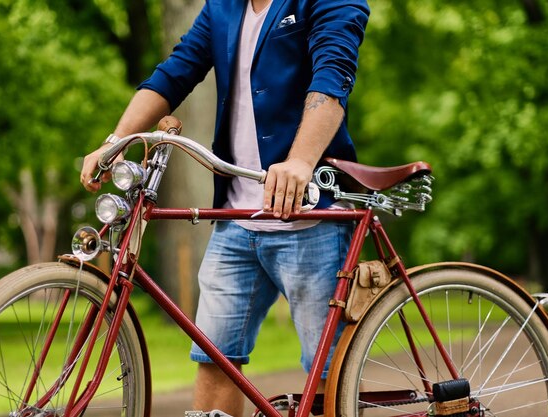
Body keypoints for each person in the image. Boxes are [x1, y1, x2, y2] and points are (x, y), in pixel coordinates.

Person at [80, 0, 369, 415]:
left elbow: (332, 75)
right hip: (236, 220)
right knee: (215, 362)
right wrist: (116, 141)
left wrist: (301, 161)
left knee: (329, 378)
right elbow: (175, 72)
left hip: (310, 219)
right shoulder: (223, 7)